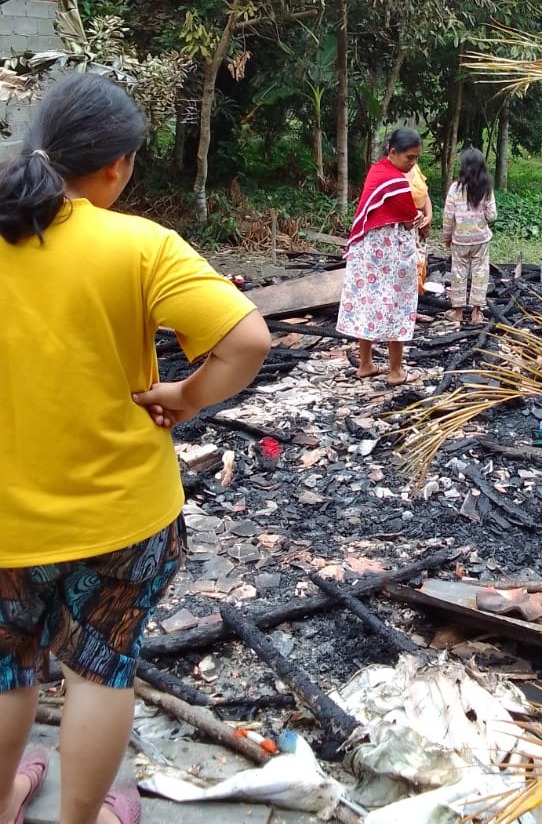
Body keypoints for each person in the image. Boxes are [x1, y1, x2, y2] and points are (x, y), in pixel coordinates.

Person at [0, 73, 271, 824]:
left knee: (4, 666)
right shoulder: (140, 245)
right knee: (98, 668)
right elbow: (247, 340)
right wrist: (186, 397)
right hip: (120, 519)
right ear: (116, 166)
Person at [337, 127, 423, 385]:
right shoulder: (395, 181)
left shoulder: (377, 171)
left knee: (368, 301)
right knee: (397, 303)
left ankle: (366, 364)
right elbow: (408, 219)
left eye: (416, 158)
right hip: (390, 252)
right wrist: (419, 219)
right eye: (409, 158)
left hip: (367, 251)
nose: (412, 164)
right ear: (393, 152)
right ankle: (395, 371)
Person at [442, 147, 497, 325]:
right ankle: (476, 313)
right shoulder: (486, 189)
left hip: (460, 239)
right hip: (481, 239)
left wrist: (447, 237)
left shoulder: (455, 189)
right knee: (481, 273)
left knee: (458, 273)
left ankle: (457, 312)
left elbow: (448, 216)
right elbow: (492, 215)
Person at [405, 160, 432, 292]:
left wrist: (429, 216)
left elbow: (424, 193)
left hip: (419, 223)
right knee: (409, 265)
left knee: (420, 260)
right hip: (404, 226)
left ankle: (416, 296)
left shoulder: (415, 167)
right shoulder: (391, 173)